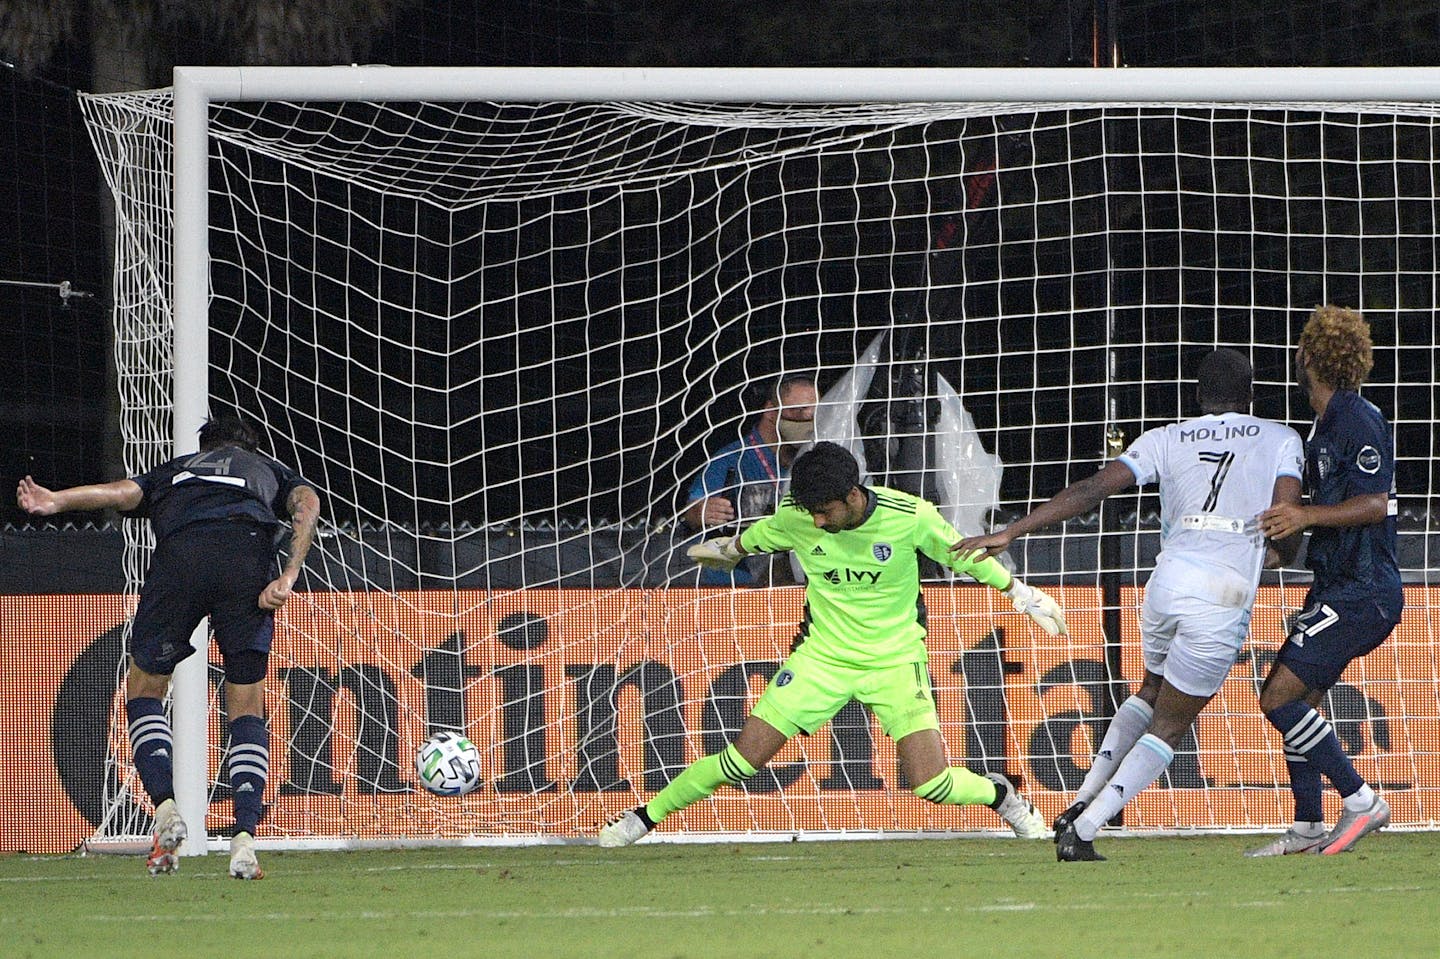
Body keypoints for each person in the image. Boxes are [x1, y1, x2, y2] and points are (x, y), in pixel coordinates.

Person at [600, 441, 1064, 847]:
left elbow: (967, 555)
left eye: (825, 511)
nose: (817, 522)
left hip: (895, 660)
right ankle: (641, 820)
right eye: (811, 512)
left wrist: (1022, 596)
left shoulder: (911, 517)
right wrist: (721, 552)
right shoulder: (799, 519)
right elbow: (748, 543)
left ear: (852, 495)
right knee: (740, 761)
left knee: (932, 784)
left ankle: (1001, 794)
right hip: (821, 658)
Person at [954, 349, 1304, 861]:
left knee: (1150, 690)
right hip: (1222, 590)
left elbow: (1093, 488)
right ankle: (1087, 828)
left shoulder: (1167, 437)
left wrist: (1014, 530)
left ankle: (1078, 803)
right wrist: (1280, 551)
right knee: (1171, 724)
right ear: (1252, 395)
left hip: (1166, 582)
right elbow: (1287, 513)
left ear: (1196, 395)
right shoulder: (1280, 437)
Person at [16, 416, 320, 879]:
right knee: (246, 706)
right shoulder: (268, 470)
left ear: (204, 446)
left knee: (144, 692)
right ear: (250, 447)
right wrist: (290, 573)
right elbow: (308, 502)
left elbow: (119, 492)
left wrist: (55, 500)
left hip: (181, 558)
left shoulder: (176, 469)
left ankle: (165, 808)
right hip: (246, 555)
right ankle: (243, 839)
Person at [1246, 305, 1402, 857]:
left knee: (1278, 695)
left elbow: (1376, 502)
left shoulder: (1358, 418)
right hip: (1338, 586)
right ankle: (1308, 825)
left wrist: (1306, 517)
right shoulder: (1323, 426)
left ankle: (1360, 800)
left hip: (1365, 589)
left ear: (1309, 356)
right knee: (1302, 699)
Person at [681, 374, 818, 586]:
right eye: (798, 410)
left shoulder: (817, 461)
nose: (809, 418)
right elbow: (690, 514)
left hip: (799, 583)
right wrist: (700, 512)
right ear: (771, 411)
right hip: (736, 587)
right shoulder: (731, 459)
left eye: (815, 411)